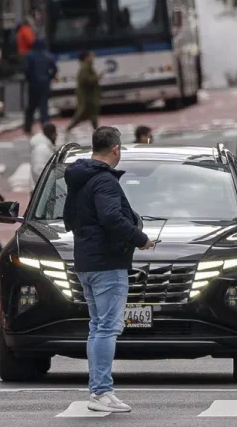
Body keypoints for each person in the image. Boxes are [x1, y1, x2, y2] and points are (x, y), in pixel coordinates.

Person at [62, 126, 154, 413]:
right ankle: (101, 392)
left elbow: (70, 218)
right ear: (116, 149)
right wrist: (141, 240)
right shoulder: (103, 181)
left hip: (86, 261)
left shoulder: (79, 179)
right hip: (107, 263)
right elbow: (112, 218)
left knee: (97, 327)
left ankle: (99, 389)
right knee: (107, 327)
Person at [23, 38, 58, 136]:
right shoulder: (48, 56)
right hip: (45, 84)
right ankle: (46, 128)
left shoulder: (29, 56)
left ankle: (27, 128)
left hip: (33, 84)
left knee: (31, 106)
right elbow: (54, 69)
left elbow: (26, 69)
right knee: (44, 106)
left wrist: (29, 79)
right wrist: (49, 77)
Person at [66, 51, 100, 134]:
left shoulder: (87, 66)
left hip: (88, 94)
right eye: (90, 56)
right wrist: (96, 78)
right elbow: (85, 80)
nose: (92, 57)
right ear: (86, 58)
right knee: (83, 112)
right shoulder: (85, 67)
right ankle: (69, 128)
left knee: (93, 113)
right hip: (86, 95)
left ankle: (96, 130)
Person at [30, 123, 57, 192]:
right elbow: (38, 170)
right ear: (53, 134)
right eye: (55, 133)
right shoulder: (42, 149)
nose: (57, 136)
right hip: (41, 191)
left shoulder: (45, 146)